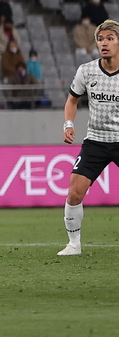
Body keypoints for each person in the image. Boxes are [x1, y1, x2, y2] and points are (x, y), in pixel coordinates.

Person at [59, 20, 119, 255]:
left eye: (110, 38)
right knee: (74, 192)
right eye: (100, 39)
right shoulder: (87, 71)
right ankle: (74, 244)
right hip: (96, 141)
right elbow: (72, 100)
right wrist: (68, 124)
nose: (104, 43)